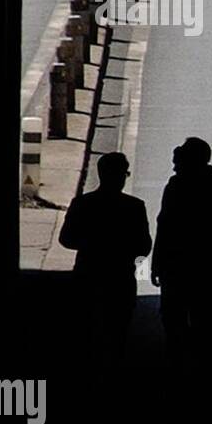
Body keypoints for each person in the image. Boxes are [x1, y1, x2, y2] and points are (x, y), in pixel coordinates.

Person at [151, 137, 212, 362]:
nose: (174, 167)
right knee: (207, 320)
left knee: (174, 320)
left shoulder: (176, 186)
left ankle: (178, 364)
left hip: (176, 266)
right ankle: (203, 365)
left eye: (178, 161)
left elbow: (165, 226)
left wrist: (157, 264)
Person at [58, 153, 152, 360]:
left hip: (87, 274)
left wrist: (91, 245)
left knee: (86, 328)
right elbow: (144, 246)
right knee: (117, 332)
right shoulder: (135, 206)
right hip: (121, 277)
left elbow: (66, 239)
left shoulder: (82, 203)